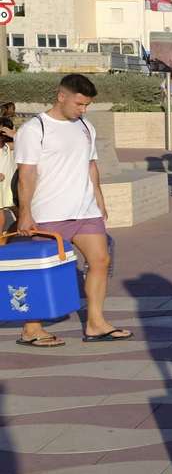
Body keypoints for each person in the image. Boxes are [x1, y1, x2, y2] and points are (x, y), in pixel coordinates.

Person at [12, 74, 131, 347]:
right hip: (49, 213)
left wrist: (99, 197)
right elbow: (26, 173)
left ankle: (95, 323)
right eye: (79, 103)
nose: (83, 110)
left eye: (86, 105)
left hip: (85, 211)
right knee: (42, 271)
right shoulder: (35, 128)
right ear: (61, 96)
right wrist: (25, 212)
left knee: (101, 260)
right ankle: (32, 329)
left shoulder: (85, 126)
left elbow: (90, 163)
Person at [0, 102, 16, 230]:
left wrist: (14, 134)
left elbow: (24, 142)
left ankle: (4, 241)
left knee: (22, 216)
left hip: (7, 188)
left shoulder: (5, 147)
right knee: (2, 219)